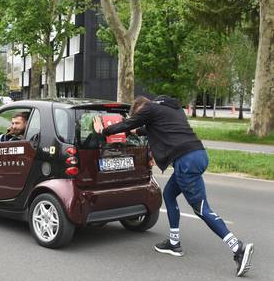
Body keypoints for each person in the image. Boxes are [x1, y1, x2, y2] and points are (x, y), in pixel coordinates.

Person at [93, 95, 254, 277]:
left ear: (140, 109)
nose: (142, 118)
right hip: (197, 155)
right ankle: (174, 243)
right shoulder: (171, 109)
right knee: (169, 195)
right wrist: (135, 133)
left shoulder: (149, 109)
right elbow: (155, 130)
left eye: (139, 115)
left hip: (185, 162)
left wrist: (103, 131)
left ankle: (238, 247)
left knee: (202, 210)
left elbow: (127, 124)